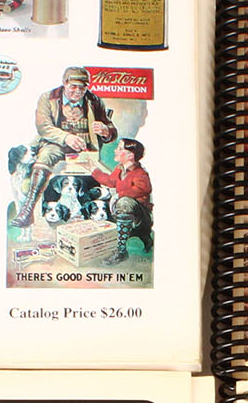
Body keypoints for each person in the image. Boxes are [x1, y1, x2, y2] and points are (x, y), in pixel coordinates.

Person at [12, 65, 117, 225]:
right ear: (64, 83)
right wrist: (66, 137)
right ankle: (27, 211)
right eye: (73, 86)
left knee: (108, 178)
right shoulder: (47, 98)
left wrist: (105, 131)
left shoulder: (94, 100)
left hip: (86, 148)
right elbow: (43, 126)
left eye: (82, 88)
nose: (78, 91)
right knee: (44, 158)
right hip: (55, 144)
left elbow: (111, 129)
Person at [99, 137, 153, 261]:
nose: (115, 151)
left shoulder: (140, 173)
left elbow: (142, 189)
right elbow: (110, 181)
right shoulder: (120, 169)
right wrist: (92, 169)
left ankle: (121, 252)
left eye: (119, 149)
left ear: (130, 156)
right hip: (125, 211)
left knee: (124, 202)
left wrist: (119, 195)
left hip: (141, 214)